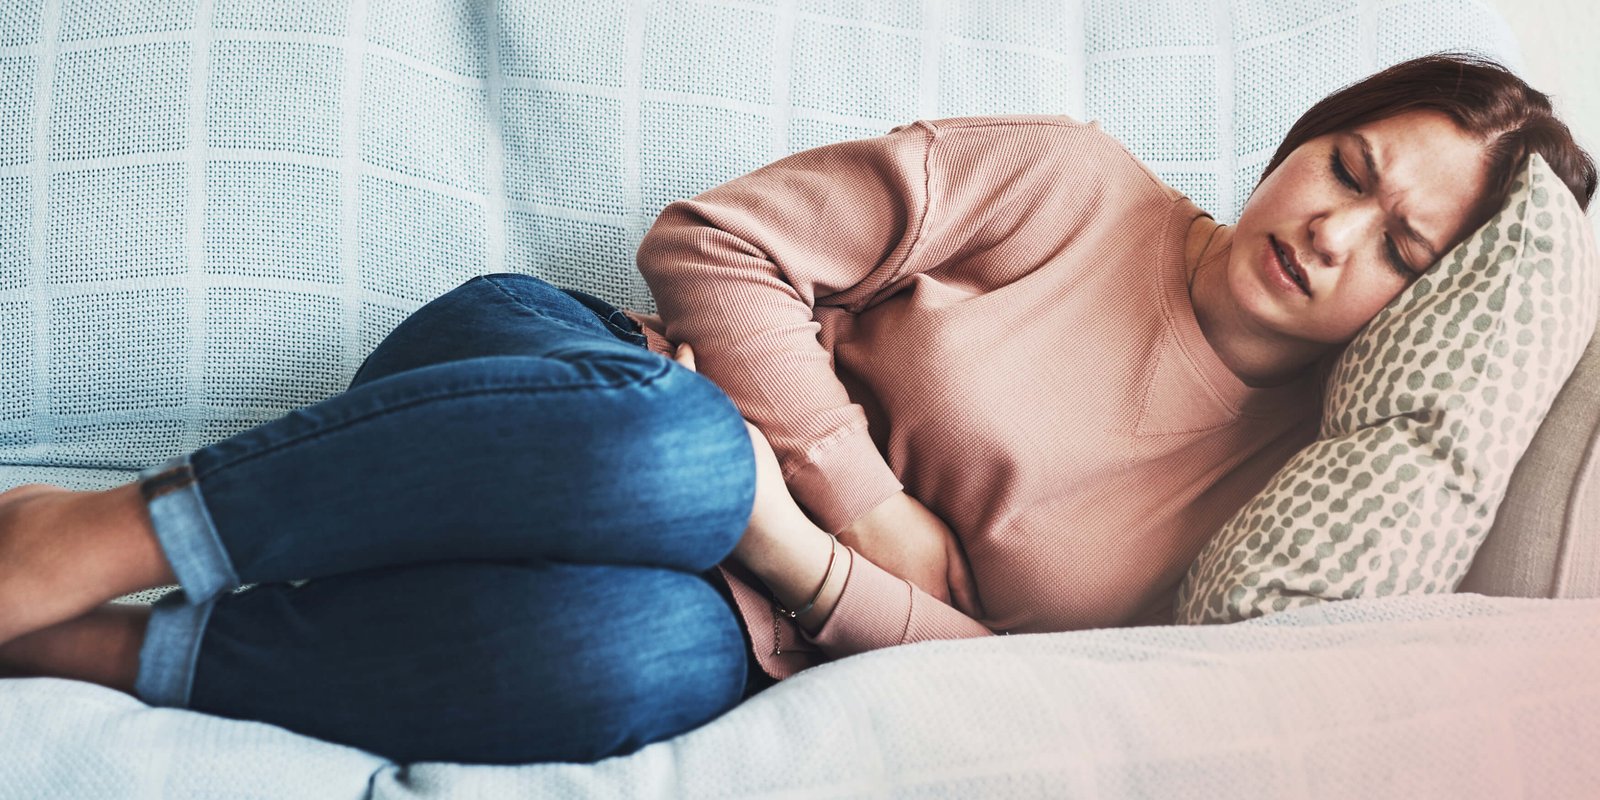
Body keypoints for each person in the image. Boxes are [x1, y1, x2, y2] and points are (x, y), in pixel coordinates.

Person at [0, 52, 1593, 765]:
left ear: (1430, 313)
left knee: (640, 661)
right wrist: (868, 507)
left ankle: (93, 650)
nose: (1329, 231)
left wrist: (797, 554)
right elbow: (713, 243)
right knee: (678, 457)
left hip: (723, 607)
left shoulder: (1277, 514)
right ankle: (82, 534)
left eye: (1400, 249)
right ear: (1301, 140)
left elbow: (1029, 686)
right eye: (1349, 168)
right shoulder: (1075, 185)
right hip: (555, 396)